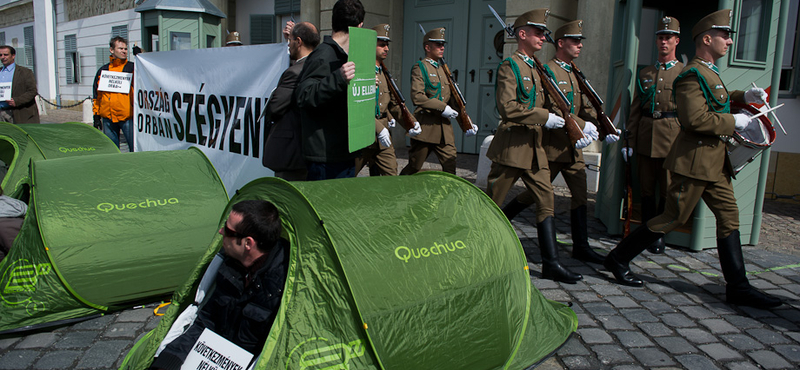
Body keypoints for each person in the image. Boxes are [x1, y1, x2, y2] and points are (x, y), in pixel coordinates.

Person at [603, 9, 781, 309]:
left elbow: (716, 98)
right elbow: (695, 118)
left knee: (728, 218)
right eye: (724, 36)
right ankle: (617, 258)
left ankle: (738, 286)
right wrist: (734, 122)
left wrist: (744, 97)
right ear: (707, 39)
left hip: (715, 162)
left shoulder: (708, 72)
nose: (729, 41)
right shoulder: (691, 74)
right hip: (695, 161)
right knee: (673, 217)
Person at [504, 20, 618, 265]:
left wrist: (599, 125)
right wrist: (580, 124)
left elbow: (584, 106)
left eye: (580, 41)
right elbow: (554, 108)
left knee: (580, 196)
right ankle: (506, 216)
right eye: (575, 41)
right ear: (561, 43)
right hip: (553, 147)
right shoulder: (548, 70)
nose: (579, 45)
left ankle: (581, 247)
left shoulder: (574, 72)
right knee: (536, 195)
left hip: (574, 149)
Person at [485, 9, 582, 283]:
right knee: (492, 204)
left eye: (544, 32)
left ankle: (551, 263)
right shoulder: (511, 66)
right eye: (538, 32)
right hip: (512, 148)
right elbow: (508, 108)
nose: (543, 37)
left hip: (536, 149)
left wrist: (578, 125)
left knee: (546, 200)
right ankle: (481, 251)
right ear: (522, 34)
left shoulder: (538, 68)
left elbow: (554, 104)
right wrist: (544, 117)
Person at [150, 200, 289, 369]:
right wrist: (170, 360)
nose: (221, 231)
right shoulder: (230, 266)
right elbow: (206, 321)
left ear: (248, 243)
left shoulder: (284, 286)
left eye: (228, 230)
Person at [622, 16, 683, 254]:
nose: (663, 42)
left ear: (676, 40)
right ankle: (646, 231)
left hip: (672, 139)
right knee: (646, 189)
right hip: (646, 137)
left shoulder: (684, 73)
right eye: (660, 37)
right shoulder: (646, 73)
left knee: (667, 189)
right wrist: (630, 140)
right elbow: (636, 111)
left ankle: (659, 233)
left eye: (668, 38)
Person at [295, 0, 365, 181]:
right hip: (325, 158)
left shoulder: (343, 55)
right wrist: (339, 78)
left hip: (341, 151)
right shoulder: (323, 55)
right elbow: (304, 96)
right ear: (360, 26)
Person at [400, 27, 476, 175]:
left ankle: (447, 196)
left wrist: (466, 122)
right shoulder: (420, 67)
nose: (442, 48)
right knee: (414, 167)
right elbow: (418, 96)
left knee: (450, 166)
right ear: (427, 47)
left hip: (444, 130)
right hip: (426, 128)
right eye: (438, 45)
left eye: (443, 45)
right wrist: (442, 107)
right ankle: (399, 190)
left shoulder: (443, 70)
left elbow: (455, 101)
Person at [354, 24, 421, 176]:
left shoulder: (383, 73)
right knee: (347, 173)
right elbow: (358, 105)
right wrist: (378, 128)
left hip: (383, 136)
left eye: (387, 45)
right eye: (382, 45)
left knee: (390, 173)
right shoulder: (360, 71)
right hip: (363, 133)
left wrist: (410, 122)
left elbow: (394, 104)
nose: (387, 48)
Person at [263, 21, 320, 181]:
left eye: (290, 40)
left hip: (291, 154)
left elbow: (275, 108)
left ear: (299, 41)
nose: (288, 45)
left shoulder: (295, 73)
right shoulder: (317, 65)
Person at [93, 36, 134, 152]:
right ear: (112, 50)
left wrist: (140, 56)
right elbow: (97, 95)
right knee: (112, 151)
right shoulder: (103, 71)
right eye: (120, 48)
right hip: (108, 117)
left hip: (128, 117)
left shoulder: (132, 68)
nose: (124, 51)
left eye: (125, 49)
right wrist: (96, 115)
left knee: (135, 149)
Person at [0, 45, 39, 124]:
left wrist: (17, 101)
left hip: (18, 113)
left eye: (6, 54)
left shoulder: (25, 72)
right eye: (0, 55)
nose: (3, 57)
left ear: (13, 56)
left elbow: (32, 91)